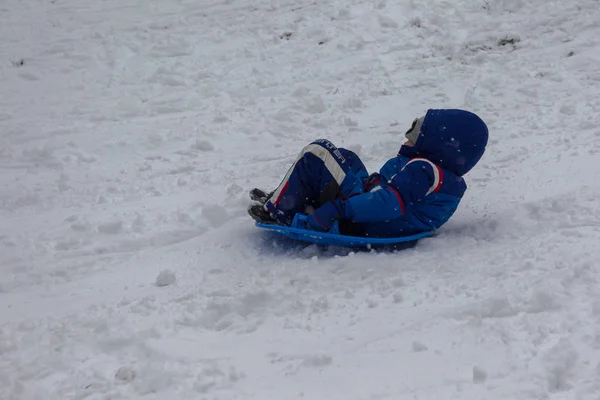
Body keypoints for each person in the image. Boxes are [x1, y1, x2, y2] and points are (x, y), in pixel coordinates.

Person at [248, 109, 489, 238]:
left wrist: (338, 209)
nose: (406, 139)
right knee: (346, 158)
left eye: (414, 136)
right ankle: (288, 198)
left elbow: (390, 203)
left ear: (440, 143)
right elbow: (390, 189)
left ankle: (279, 209)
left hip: (368, 221)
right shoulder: (434, 173)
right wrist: (376, 181)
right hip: (373, 215)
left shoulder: (424, 170)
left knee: (319, 152)